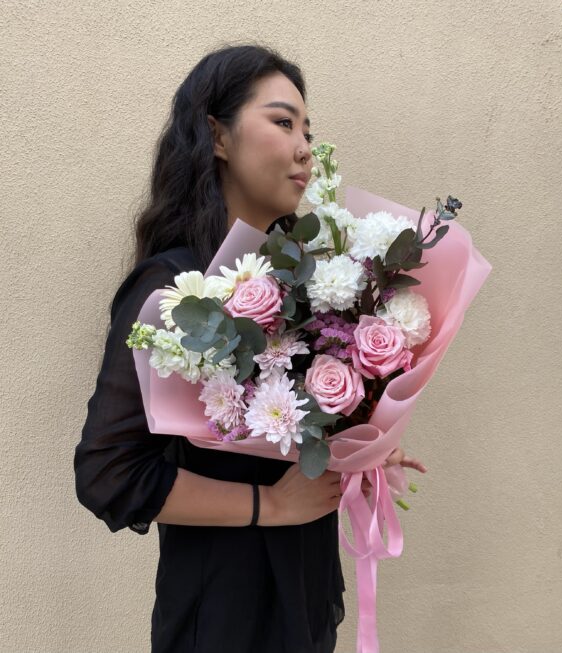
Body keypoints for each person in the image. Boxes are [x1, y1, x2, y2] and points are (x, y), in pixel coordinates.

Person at [74, 43, 426, 653]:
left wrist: (355, 445)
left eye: (308, 131)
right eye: (283, 122)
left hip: (307, 598)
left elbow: (288, 437)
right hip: (224, 615)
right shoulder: (172, 290)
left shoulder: (303, 285)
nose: (304, 150)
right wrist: (271, 504)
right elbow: (107, 475)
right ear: (217, 136)